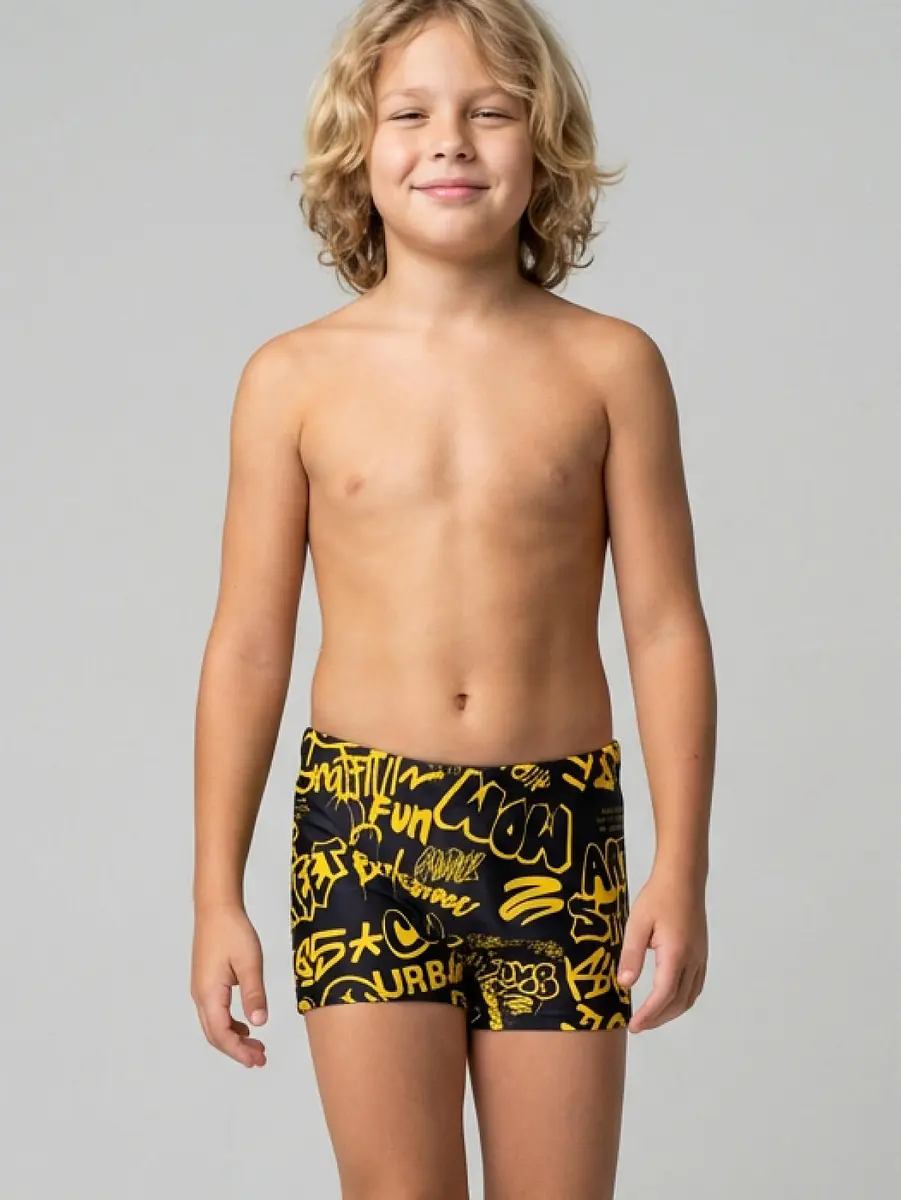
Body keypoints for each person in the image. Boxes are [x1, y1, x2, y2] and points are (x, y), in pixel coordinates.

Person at [191, 0, 716, 1195]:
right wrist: (215, 892)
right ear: (356, 147)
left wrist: (679, 867)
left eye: (489, 112)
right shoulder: (292, 379)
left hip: (556, 830)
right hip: (361, 835)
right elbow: (249, 646)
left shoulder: (610, 366)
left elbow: (664, 627)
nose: (450, 142)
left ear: (545, 143)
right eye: (410, 114)